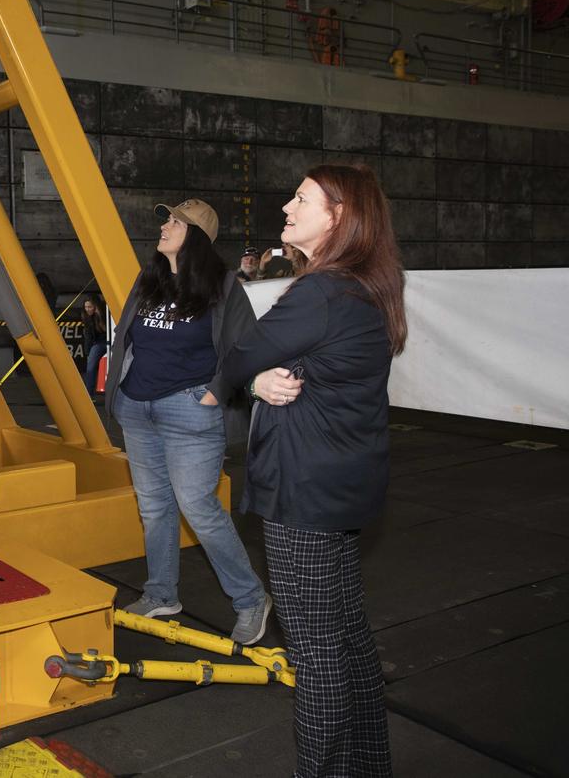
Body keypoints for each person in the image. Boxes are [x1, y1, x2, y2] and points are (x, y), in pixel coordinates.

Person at [221, 165, 406, 777]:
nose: (286, 208)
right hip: (339, 488)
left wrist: (251, 374)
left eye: (301, 199)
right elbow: (269, 364)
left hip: (304, 494)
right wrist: (259, 378)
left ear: (339, 215)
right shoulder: (358, 289)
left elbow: (241, 352)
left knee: (317, 656)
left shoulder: (321, 293)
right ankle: (366, 766)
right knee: (348, 645)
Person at [103, 199, 271, 645]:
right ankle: (161, 593)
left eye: (175, 221)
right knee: (154, 508)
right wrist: (120, 397)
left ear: (196, 235)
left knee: (198, 507)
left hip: (189, 409)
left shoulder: (223, 285)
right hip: (138, 409)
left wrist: (213, 393)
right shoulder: (150, 279)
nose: (165, 226)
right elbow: (127, 339)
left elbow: (248, 347)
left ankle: (251, 599)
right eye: (166, 219)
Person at [80, 296, 107, 395]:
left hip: (112, 341)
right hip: (98, 343)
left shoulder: (105, 313)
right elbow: (88, 337)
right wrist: (88, 353)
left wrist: (99, 316)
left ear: (96, 306)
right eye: (86, 307)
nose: (87, 309)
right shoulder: (86, 317)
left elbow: (106, 329)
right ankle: (89, 395)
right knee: (90, 367)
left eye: (90, 307)